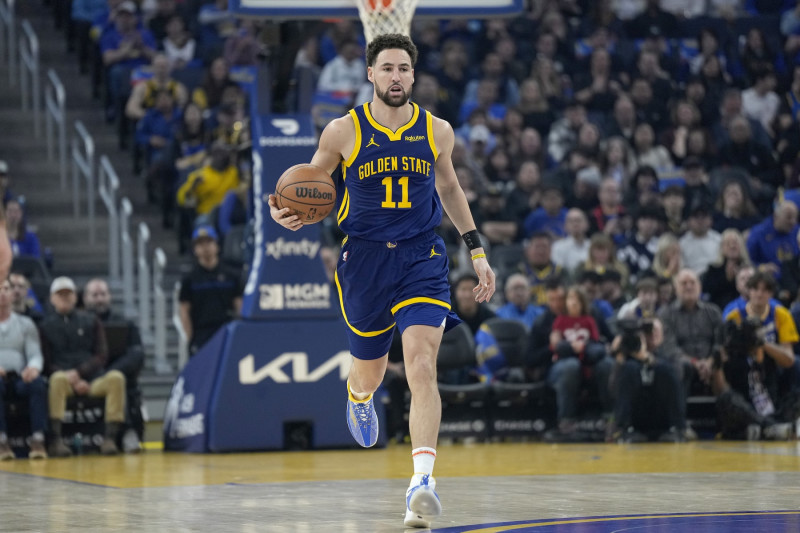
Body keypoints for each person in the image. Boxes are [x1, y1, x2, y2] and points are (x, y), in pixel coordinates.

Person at [268, 34, 495, 529]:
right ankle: (358, 396)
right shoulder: (342, 131)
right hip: (365, 262)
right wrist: (288, 211)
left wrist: (476, 249)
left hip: (421, 258)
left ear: (414, 76)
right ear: (371, 74)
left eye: (404, 69)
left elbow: (450, 187)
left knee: (421, 365)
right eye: (387, 68)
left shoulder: (437, 131)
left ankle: (421, 482)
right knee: (369, 372)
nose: (396, 77)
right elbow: (313, 186)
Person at [40, 277, 125, 457]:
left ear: (75, 297)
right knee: (56, 379)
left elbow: (101, 355)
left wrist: (80, 374)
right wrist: (68, 376)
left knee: (116, 378)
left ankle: (110, 438)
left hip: (92, 379)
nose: (64, 298)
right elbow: (45, 363)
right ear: (52, 298)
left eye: (68, 294)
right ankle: (56, 440)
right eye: (59, 294)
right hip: (63, 381)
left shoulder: (91, 320)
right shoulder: (45, 326)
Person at [716, 272, 799, 440]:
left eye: (765, 289)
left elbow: (788, 359)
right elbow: (723, 357)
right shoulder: (734, 316)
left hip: (770, 378)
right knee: (727, 399)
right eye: (755, 289)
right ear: (749, 291)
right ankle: (769, 427)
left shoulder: (780, 314)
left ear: (771, 293)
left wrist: (762, 343)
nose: (760, 293)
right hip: (742, 378)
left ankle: (764, 427)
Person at [83, 278, 145, 453]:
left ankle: (127, 433)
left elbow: (137, 354)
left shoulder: (126, 324)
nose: (99, 299)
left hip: (117, 375)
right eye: (94, 295)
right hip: (88, 378)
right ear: (86, 298)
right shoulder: (78, 324)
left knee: (119, 380)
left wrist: (110, 372)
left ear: (110, 297)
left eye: (103, 294)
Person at [546, 286, 612, 440]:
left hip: (589, 364)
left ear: (583, 303)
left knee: (607, 364)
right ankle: (566, 422)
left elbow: (598, 343)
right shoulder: (557, 320)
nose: (573, 303)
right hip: (564, 366)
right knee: (570, 366)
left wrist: (585, 348)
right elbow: (555, 347)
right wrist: (568, 347)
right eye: (570, 299)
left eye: (577, 300)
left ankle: (612, 419)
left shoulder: (590, 319)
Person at [608, 317, 687, 443]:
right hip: (637, 414)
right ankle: (624, 429)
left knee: (664, 369)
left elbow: (678, 377)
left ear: (663, 333)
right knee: (630, 368)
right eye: (648, 331)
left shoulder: (670, 353)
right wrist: (619, 358)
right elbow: (612, 387)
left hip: (661, 413)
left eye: (656, 331)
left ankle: (677, 429)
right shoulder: (627, 358)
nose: (652, 335)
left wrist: (649, 359)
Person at [0, 279, 48, 460]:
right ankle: (1, 441)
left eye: (6, 289)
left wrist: (33, 368)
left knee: (37, 384)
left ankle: (38, 439)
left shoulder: (26, 324)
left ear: (13, 294)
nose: (3, 293)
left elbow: (35, 353)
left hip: (19, 376)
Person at [178, 226, 243, 354]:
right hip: (201, 334)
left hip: (226, 330)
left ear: (217, 245)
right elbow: (184, 310)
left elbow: (239, 305)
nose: (205, 247)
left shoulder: (231, 275)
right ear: (195, 249)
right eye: (200, 244)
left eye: (209, 242)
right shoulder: (190, 279)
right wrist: (191, 338)